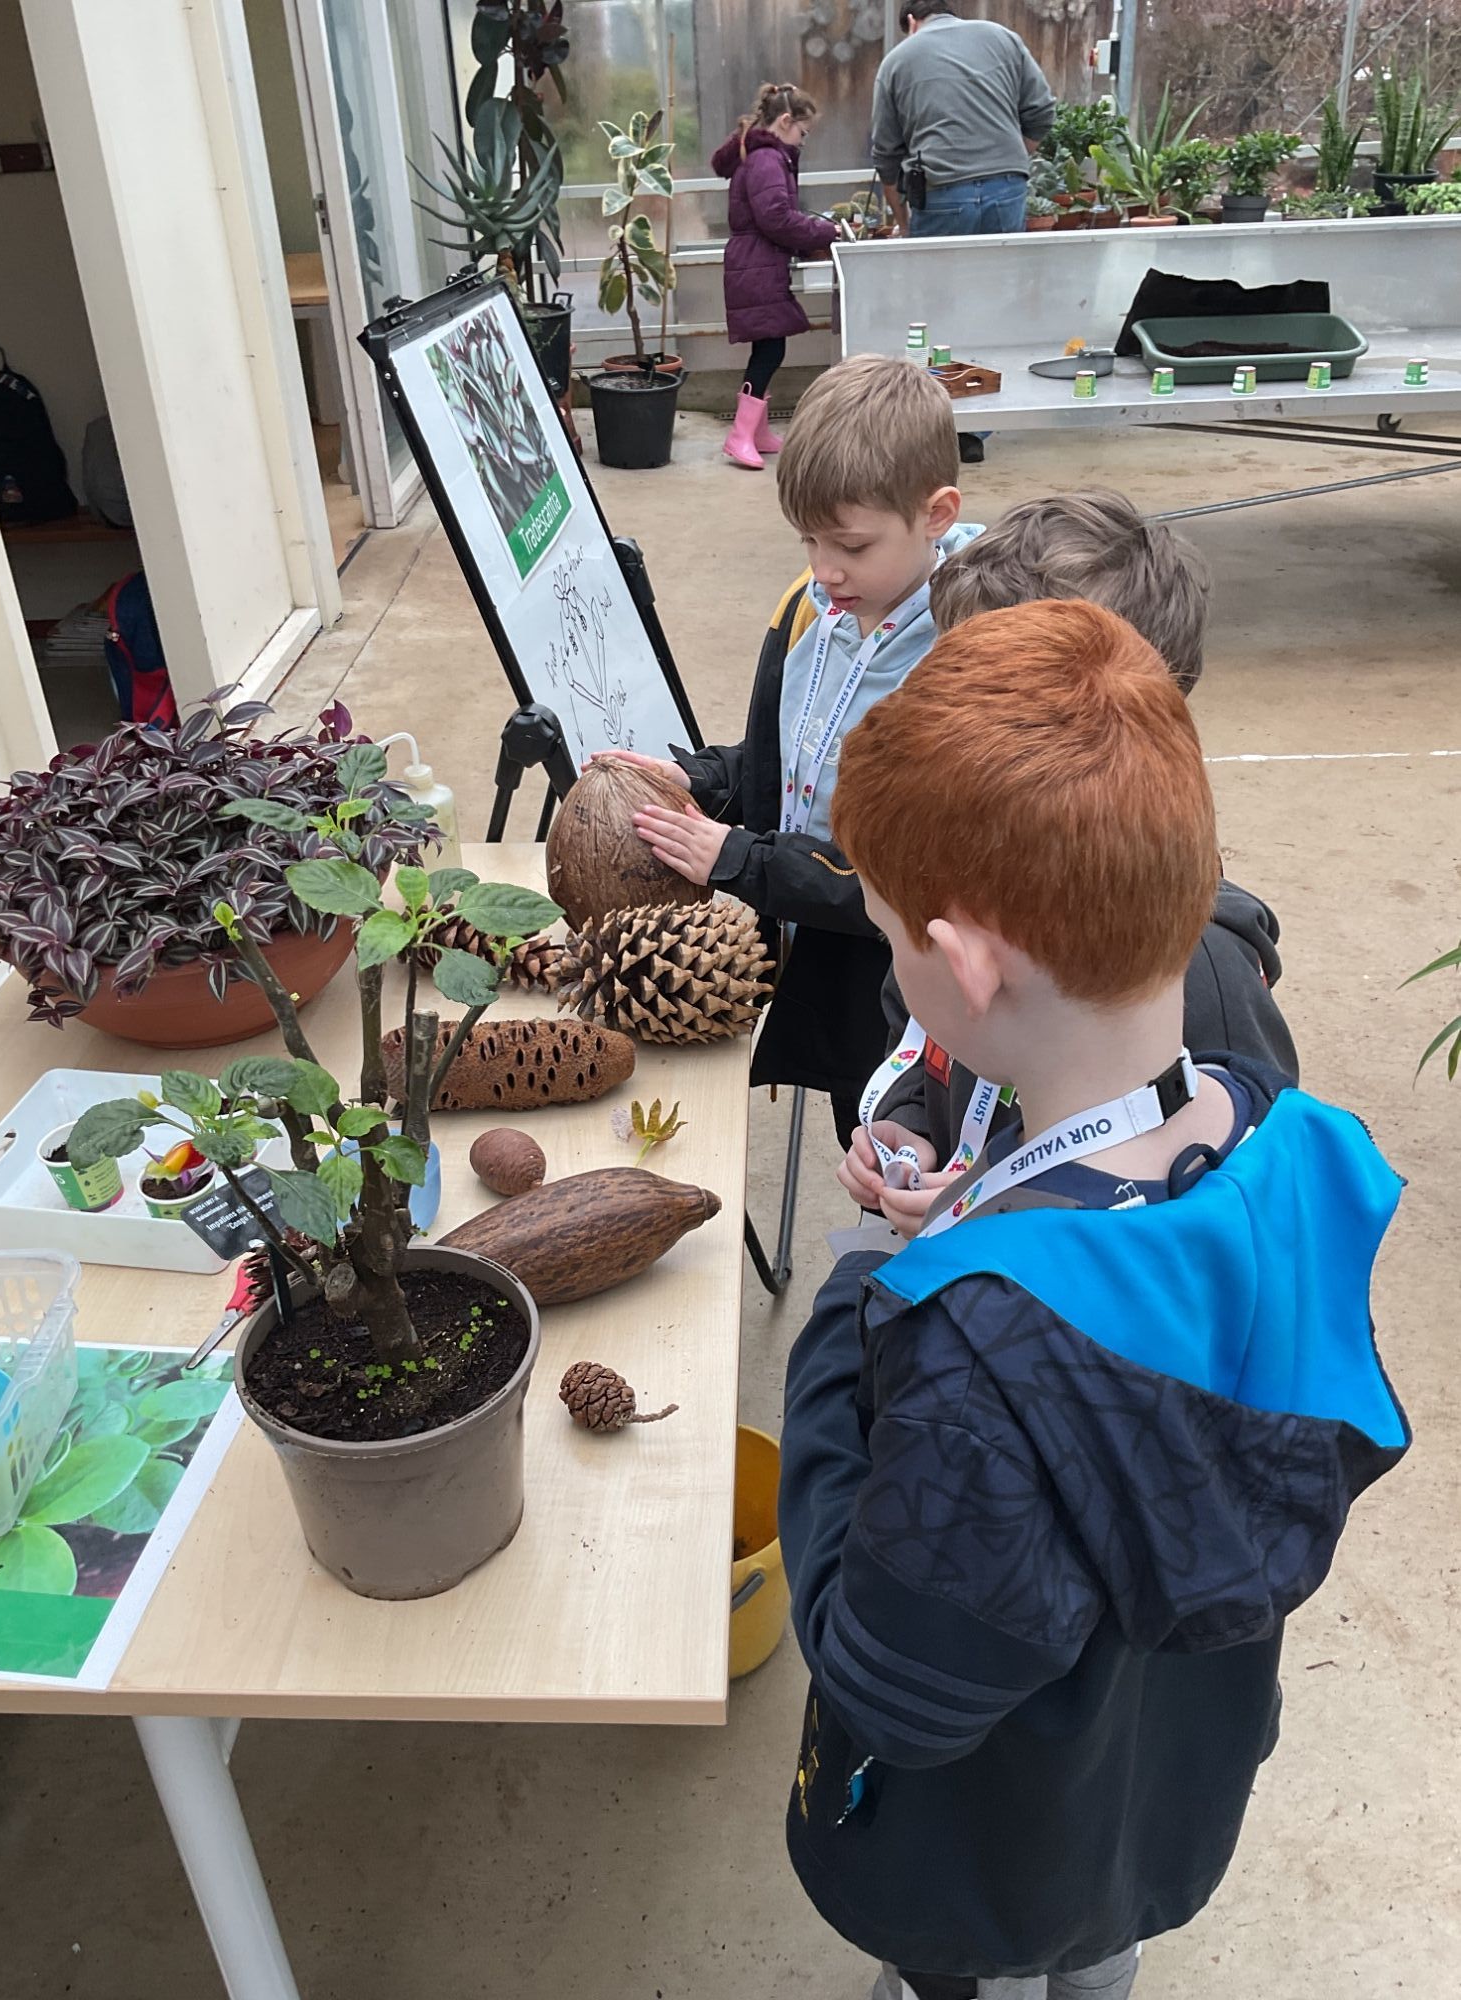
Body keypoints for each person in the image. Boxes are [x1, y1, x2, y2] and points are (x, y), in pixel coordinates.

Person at [781, 598, 1410, 2000]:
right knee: (1098, 1942)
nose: (891, 966)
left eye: (892, 940)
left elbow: (886, 1681)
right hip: (1160, 1790)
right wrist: (991, 1197)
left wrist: (854, 1311)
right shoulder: (1286, 1149)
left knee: (984, 1961)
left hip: (981, 1852)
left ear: (972, 963)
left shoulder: (974, 1356)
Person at [838, 490, 1300, 1233]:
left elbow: (1250, 1199)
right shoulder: (965, 863)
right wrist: (912, 1123)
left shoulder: (1201, 967)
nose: (948, 710)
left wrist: (998, 1206)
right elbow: (918, 1018)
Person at [604, 354, 981, 1146]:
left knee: (904, 1141)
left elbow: (914, 884)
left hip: (903, 999)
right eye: (808, 538)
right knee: (864, 1140)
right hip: (813, 961)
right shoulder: (812, 611)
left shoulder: (962, 663)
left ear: (937, 513)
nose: (824, 568)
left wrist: (740, 861)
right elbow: (788, 759)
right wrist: (703, 780)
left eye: (850, 543)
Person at [874, 0, 1056, 463]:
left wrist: (903, 225)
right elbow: (1041, 112)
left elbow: (886, 156)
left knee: (936, 309)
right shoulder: (1003, 38)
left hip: (940, 193)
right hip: (1006, 190)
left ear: (912, 21)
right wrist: (1009, 160)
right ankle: (979, 428)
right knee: (993, 305)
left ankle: (941, 428)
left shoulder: (898, 60)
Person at [712, 83, 839, 472]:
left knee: (768, 348)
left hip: (756, 262)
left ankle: (757, 431)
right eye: (802, 132)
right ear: (785, 121)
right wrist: (826, 231)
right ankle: (740, 435)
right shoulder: (768, 159)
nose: (802, 141)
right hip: (758, 263)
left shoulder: (758, 154)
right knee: (770, 350)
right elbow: (777, 217)